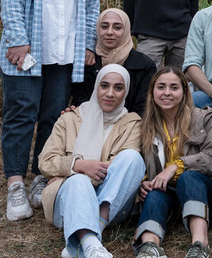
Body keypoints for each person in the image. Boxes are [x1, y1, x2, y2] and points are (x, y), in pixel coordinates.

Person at [0, 0, 100, 221]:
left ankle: (41, 177)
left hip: (63, 58)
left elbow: (91, 9)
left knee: (53, 117)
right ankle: (15, 184)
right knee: (21, 113)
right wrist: (17, 39)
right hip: (26, 54)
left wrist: (86, 45)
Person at [133, 66, 212, 258]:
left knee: (189, 177)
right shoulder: (146, 126)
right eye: (161, 87)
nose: (167, 92)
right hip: (170, 196)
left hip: (209, 191)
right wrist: (142, 182)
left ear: (185, 92)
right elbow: (139, 162)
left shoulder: (201, 118)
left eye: (174, 87)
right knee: (154, 192)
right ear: (152, 92)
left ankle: (199, 244)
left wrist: (178, 165)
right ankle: (149, 247)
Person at [39, 65, 145, 258]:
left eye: (118, 88)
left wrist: (67, 173)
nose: (110, 93)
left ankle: (88, 235)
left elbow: (122, 171)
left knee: (132, 158)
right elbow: (46, 161)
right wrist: (78, 165)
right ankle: (91, 245)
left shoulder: (132, 123)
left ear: (126, 91)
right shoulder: (70, 119)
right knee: (78, 181)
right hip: (67, 203)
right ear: (96, 87)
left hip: (110, 203)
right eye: (104, 86)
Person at [71, 8, 157, 115]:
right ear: (97, 29)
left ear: (126, 30)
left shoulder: (145, 66)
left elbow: (142, 107)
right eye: (104, 27)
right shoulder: (88, 61)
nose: (109, 32)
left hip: (129, 125)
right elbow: (80, 101)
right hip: (90, 121)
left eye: (117, 28)